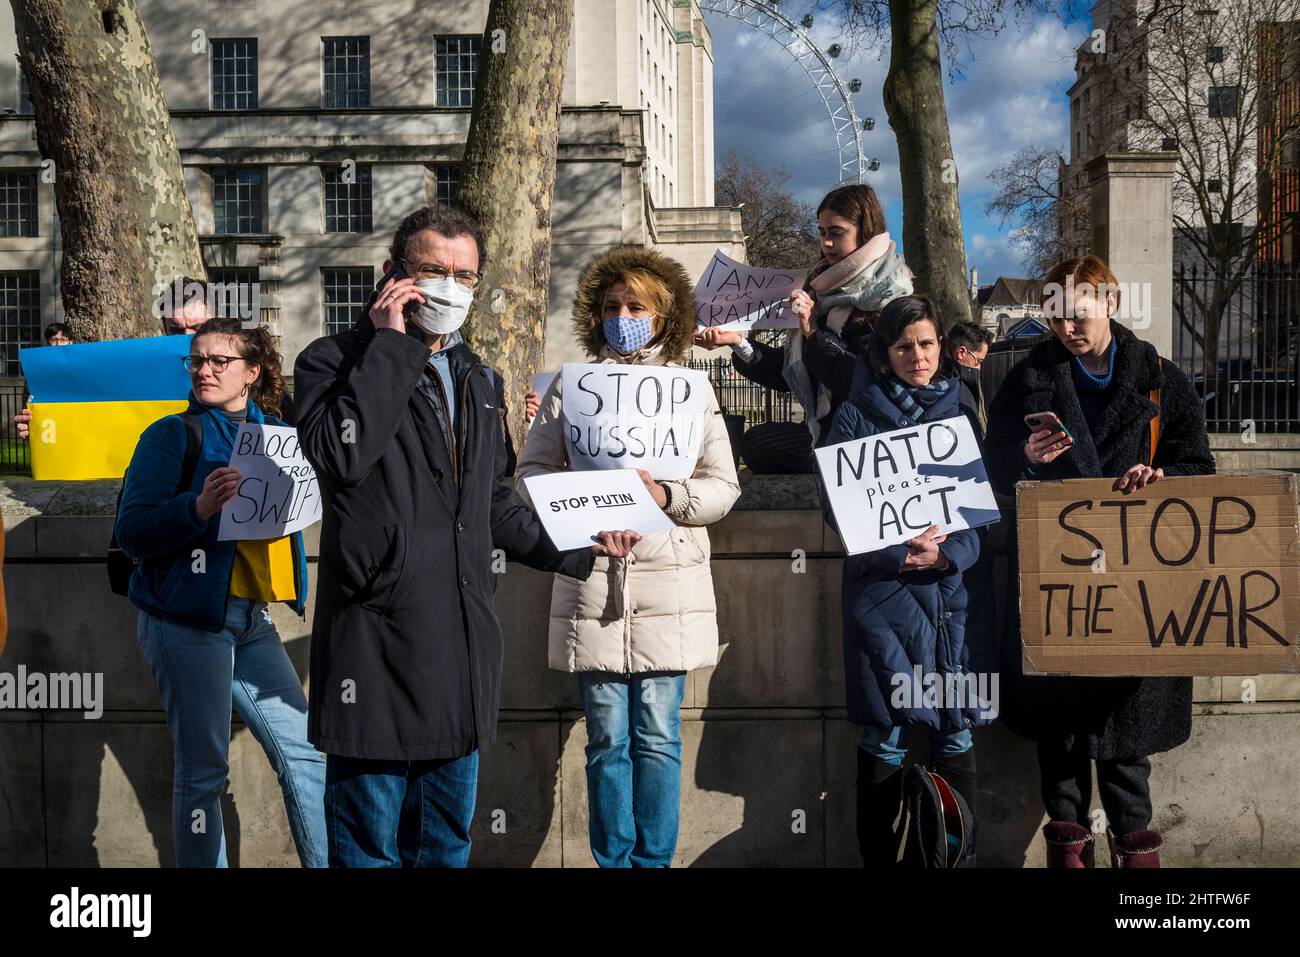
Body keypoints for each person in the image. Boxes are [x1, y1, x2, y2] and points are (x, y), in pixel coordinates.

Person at [293, 205, 629, 868]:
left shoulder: (480, 378)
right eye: (432, 271)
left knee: (445, 846)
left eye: (465, 275)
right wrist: (391, 345)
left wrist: (579, 544)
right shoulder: (330, 362)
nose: (451, 287)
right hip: (374, 650)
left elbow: (493, 504)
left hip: (462, 651)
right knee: (367, 851)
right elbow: (340, 457)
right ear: (393, 275)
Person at [984, 255, 1215, 868]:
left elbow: (1199, 471)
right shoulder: (1024, 379)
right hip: (1056, 578)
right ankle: (1068, 847)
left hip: (1137, 581)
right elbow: (988, 467)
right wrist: (1025, 458)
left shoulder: (1161, 379)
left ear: (1110, 303)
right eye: (1055, 316)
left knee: (1125, 739)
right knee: (1059, 736)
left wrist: (1162, 479)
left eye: (1078, 314)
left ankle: (1134, 858)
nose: (1066, 328)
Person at [515, 246, 741, 867]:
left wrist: (664, 494)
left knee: (659, 738)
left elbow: (724, 487)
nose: (623, 316)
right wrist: (586, 518)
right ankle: (613, 863)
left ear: (663, 315)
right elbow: (532, 474)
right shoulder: (571, 387)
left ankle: (654, 863)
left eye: (636, 305)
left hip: (669, 588)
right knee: (607, 739)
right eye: (613, 305)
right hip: (594, 586)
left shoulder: (692, 393)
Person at [116, 317, 325, 867]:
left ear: (252, 373)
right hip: (184, 622)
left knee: (306, 756)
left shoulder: (276, 434)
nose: (204, 370)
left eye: (219, 361)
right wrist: (198, 507)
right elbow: (132, 531)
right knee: (203, 772)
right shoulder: (171, 434)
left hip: (249, 621)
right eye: (197, 360)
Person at [819, 294, 992, 866]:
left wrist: (946, 558)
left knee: (957, 734)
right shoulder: (854, 414)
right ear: (883, 352)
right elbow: (838, 510)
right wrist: (900, 553)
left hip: (951, 604)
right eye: (903, 346)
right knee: (884, 739)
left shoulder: (961, 411)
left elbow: (978, 510)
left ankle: (957, 861)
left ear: (941, 347)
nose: (917, 356)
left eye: (926, 343)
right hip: (884, 604)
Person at [692, 183, 912, 473]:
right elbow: (793, 374)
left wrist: (811, 331)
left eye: (836, 232)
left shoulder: (889, 296)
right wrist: (737, 342)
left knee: (761, 445)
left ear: (865, 230)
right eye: (822, 233)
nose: (827, 244)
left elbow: (859, 381)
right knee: (756, 443)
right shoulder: (821, 289)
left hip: (873, 434)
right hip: (829, 426)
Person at [14, 282, 213, 440]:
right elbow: (100, 422)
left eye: (197, 328)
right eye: (177, 330)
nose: (187, 338)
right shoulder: (138, 371)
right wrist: (41, 427)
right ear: (164, 328)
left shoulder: (239, 375)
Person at [946, 321, 994, 434]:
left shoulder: (960, 380)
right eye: (978, 361)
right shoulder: (956, 388)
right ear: (961, 353)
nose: (979, 368)